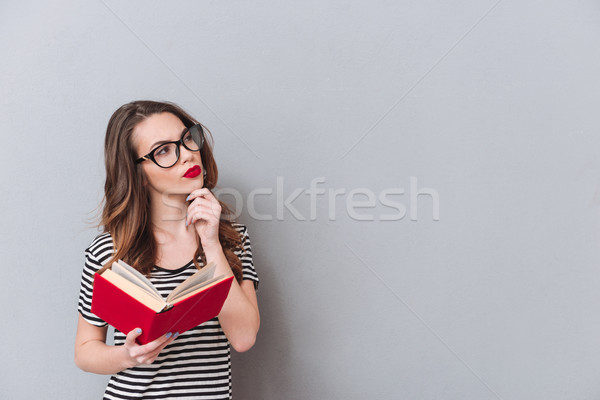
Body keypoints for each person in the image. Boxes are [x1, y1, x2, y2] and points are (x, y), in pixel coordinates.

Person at [74, 100, 260, 399]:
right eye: (163, 151)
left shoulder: (232, 239)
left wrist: (211, 243)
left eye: (188, 139)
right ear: (139, 174)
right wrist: (128, 356)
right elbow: (85, 351)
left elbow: (243, 338)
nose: (187, 155)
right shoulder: (109, 251)